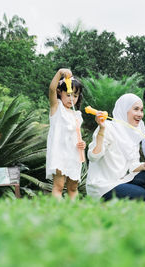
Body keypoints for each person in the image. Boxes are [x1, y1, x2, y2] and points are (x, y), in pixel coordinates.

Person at [86, 93, 145, 201]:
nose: (140, 114)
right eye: (136, 109)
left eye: (141, 110)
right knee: (140, 194)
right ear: (124, 109)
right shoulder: (107, 127)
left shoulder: (134, 133)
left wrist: (143, 166)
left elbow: (131, 165)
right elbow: (93, 156)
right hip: (102, 185)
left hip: (122, 180)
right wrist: (101, 129)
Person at [46, 68, 86, 200]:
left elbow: (77, 136)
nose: (71, 98)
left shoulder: (77, 115)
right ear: (60, 92)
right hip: (59, 153)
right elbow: (51, 89)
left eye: (75, 95)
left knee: (73, 187)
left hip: (74, 154)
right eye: (68, 94)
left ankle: (74, 213)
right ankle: (58, 213)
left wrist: (82, 144)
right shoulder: (56, 108)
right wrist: (59, 73)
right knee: (58, 185)